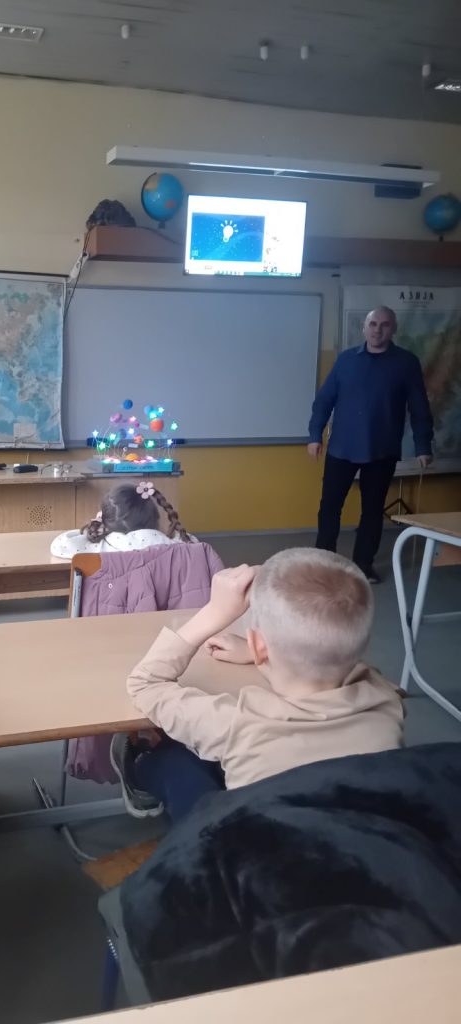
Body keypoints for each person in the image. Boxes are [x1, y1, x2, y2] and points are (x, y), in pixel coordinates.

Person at [113, 548, 404, 822]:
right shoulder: (387, 700)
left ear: (258, 645)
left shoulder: (234, 723)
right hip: (359, 836)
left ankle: (141, 765)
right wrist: (258, 654)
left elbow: (144, 683)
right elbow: (345, 661)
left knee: (171, 758)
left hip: (250, 847)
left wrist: (214, 612)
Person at [307, 306, 433, 583]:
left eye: (384, 325)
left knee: (373, 511)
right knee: (329, 507)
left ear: (393, 329)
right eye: (373, 324)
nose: (378, 330)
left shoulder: (406, 362)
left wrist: (423, 445)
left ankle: (363, 564)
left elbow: (419, 406)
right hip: (342, 448)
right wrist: (315, 435)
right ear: (364, 328)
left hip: (381, 450)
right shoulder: (346, 360)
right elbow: (324, 400)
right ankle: (323, 561)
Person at [50, 480, 194, 558]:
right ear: (154, 516)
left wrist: (94, 527)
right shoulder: (175, 546)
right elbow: (193, 542)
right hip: (163, 605)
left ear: (106, 520)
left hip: (112, 606)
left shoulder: (100, 548)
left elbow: (59, 545)